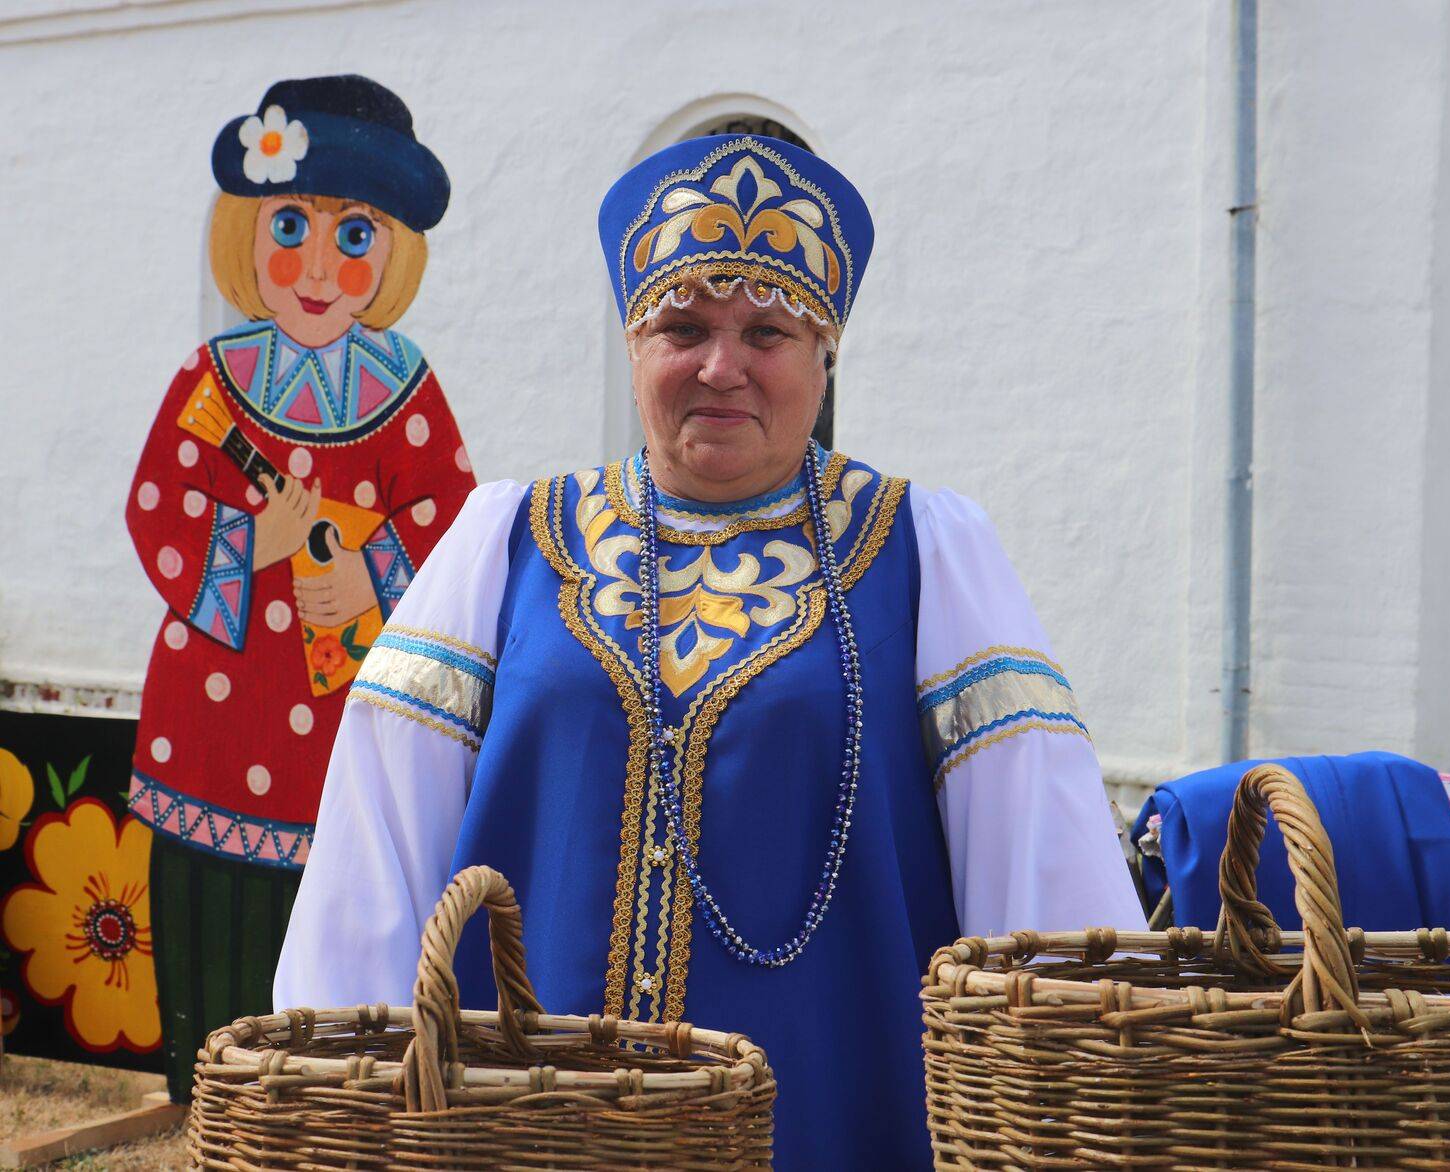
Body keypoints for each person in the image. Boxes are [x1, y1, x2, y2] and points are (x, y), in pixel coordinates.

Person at [276, 133, 1144, 1168]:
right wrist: (345, 1105)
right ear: (634, 346)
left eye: (767, 331)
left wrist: (1075, 1113)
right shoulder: (505, 545)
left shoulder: (928, 555)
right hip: (520, 1130)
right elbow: (377, 847)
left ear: (824, 354)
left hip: (828, 1129)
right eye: (682, 327)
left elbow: (1041, 874)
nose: (721, 366)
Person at [125, 75, 475, 1100]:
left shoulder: (405, 390)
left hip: (342, 711)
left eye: (354, 235)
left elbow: (449, 515)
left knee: (337, 899)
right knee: (209, 902)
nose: (319, 268)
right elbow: (157, 505)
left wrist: (370, 570)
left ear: (394, 256)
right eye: (291, 226)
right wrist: (249, 541)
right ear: (247, 235)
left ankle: (324, 1100)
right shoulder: (210, 380)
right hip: (217, 709)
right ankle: (205, 1093)